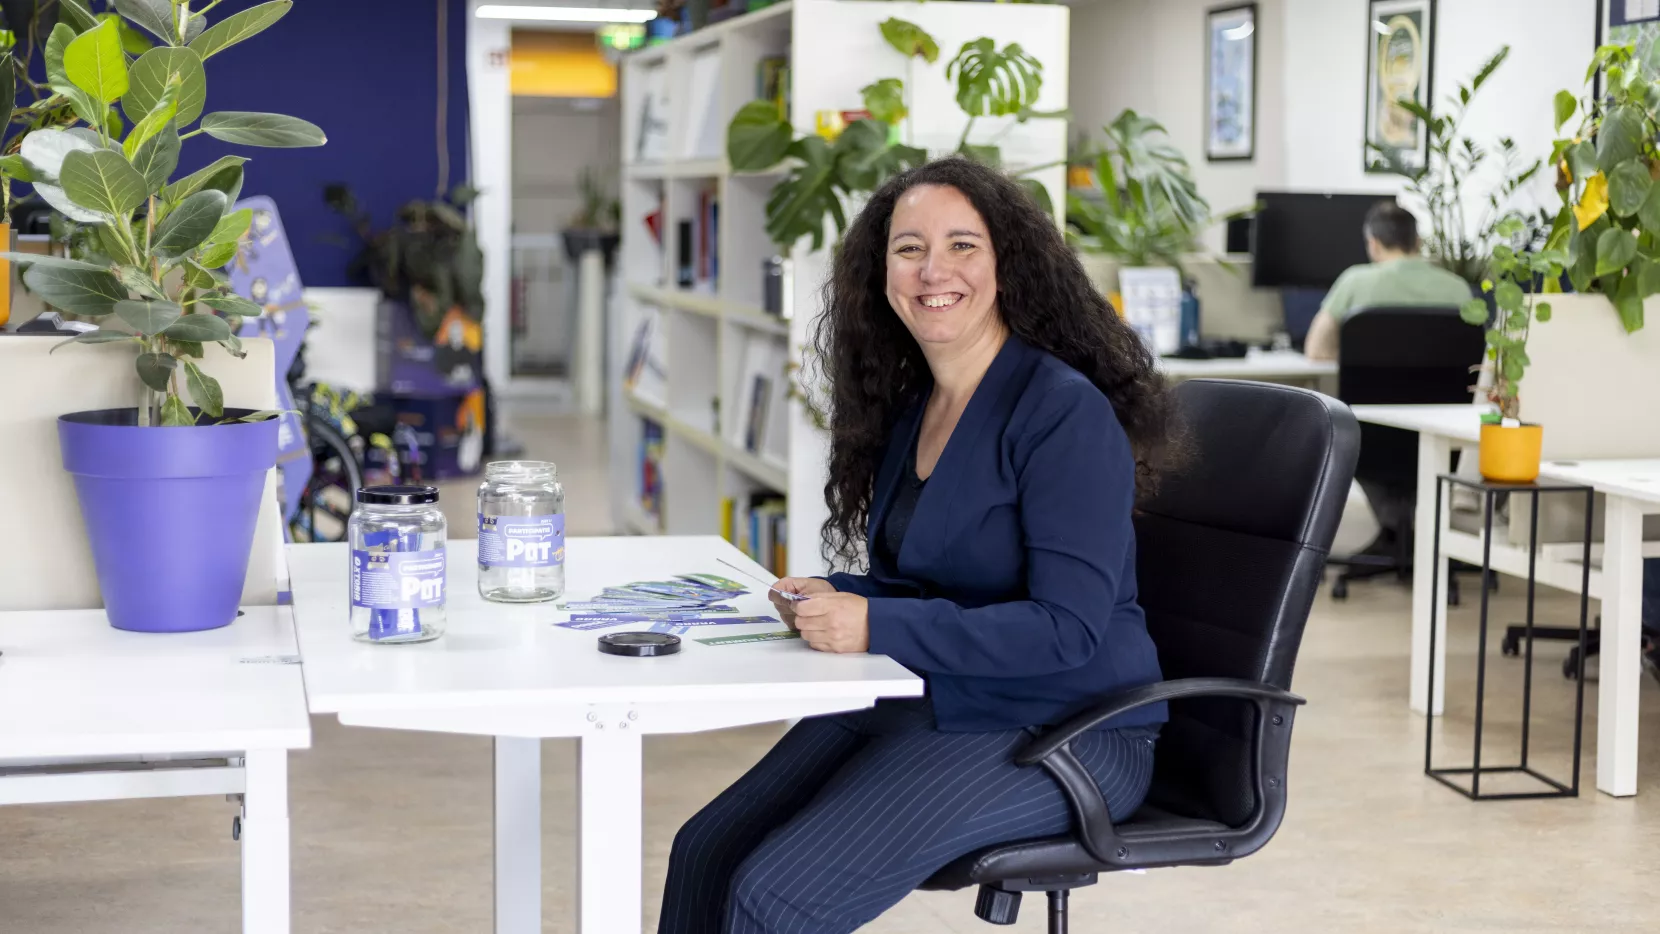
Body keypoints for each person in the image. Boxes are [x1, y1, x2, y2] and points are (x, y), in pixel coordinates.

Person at [657, 158, 1180, 932]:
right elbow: (940, 582)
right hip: (949, 691)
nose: (934, 270)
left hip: (1068, 726)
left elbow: (1068, 630)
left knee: (777, 894)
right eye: (909, 248)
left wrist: (876, 627)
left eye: (963, 245)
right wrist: (848, 595)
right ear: (882, 270)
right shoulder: (921, 405)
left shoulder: (1062, 414)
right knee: (705, 848)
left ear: (1009, 264)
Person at [1303, 202, 1473, 361]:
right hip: (1441, 392)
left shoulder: (1353, 281)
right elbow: (1473, 354)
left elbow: (1316, 350)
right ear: (1418, 242)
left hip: (1368, 392)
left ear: (1373, 244)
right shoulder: (1458, 288)